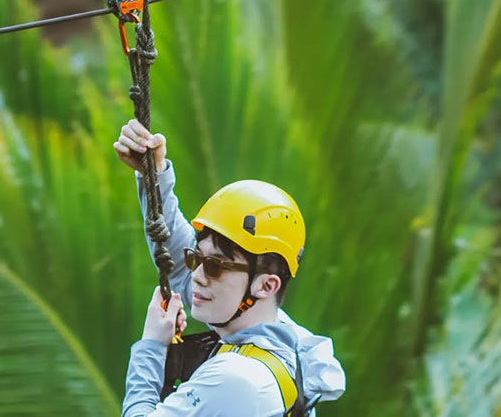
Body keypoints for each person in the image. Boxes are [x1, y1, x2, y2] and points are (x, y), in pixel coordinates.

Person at [114, 119, 346, 416]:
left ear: (267, 285)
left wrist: (152, 346)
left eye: (214, 267)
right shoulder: (283, 335)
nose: (197, 277)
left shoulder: (237, 380)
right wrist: (153, 175)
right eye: (197, 258)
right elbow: (180, 267)